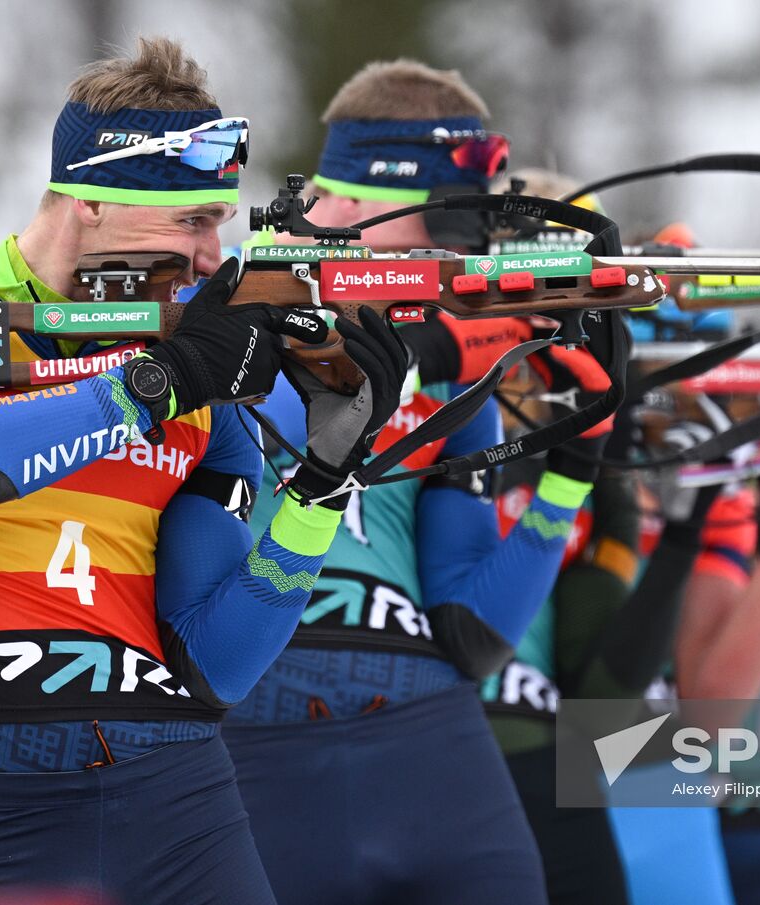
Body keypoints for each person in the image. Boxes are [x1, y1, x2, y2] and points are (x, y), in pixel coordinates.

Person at [0, 37, 406, 905]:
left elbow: (211, 668)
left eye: (222, 222)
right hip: (0, 823)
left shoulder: (193, 382)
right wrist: (154, 385)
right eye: (192, 221)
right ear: (91, 201)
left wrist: (320, 483)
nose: (212, 257)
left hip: (186, 811)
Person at [222, 59, 602, 905]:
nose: (447, 257)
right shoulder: (222, 300)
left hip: (429, 731)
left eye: (463, 236)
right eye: (432, 226)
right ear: (349, 201)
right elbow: (253, 403)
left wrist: (577, 464)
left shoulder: (448, 347)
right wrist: (417, 357)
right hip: (253, 731)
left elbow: (472, 631)